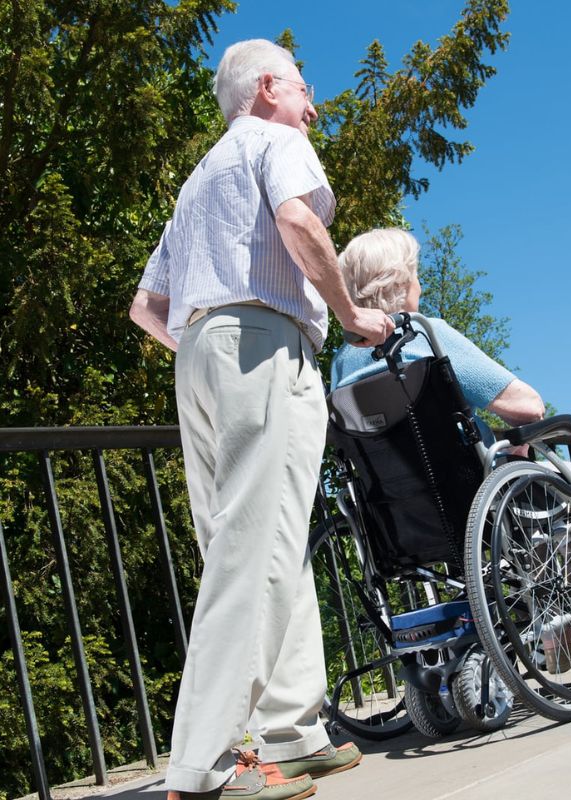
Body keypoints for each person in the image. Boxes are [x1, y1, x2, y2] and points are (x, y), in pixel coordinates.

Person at [129, 40, 395, 800]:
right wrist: (349, 314)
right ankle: (205, 767)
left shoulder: (197, 180)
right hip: (264, 342)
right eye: (306, 89)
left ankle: (295, 733)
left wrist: (208, 342)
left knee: (263, 540)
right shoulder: (278, 141)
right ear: (270, 87)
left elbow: (146, 306)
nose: (314, 107)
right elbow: (297, 223)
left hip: (203, 354)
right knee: (255, 546)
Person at [329, 228, 571, 660]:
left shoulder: (341, 363)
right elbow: (528, 406)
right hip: (473, 495)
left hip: (400, 523)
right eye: (416, 274)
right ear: (402, 282)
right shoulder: (424, 335)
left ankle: (554, 640)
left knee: (521, 493)